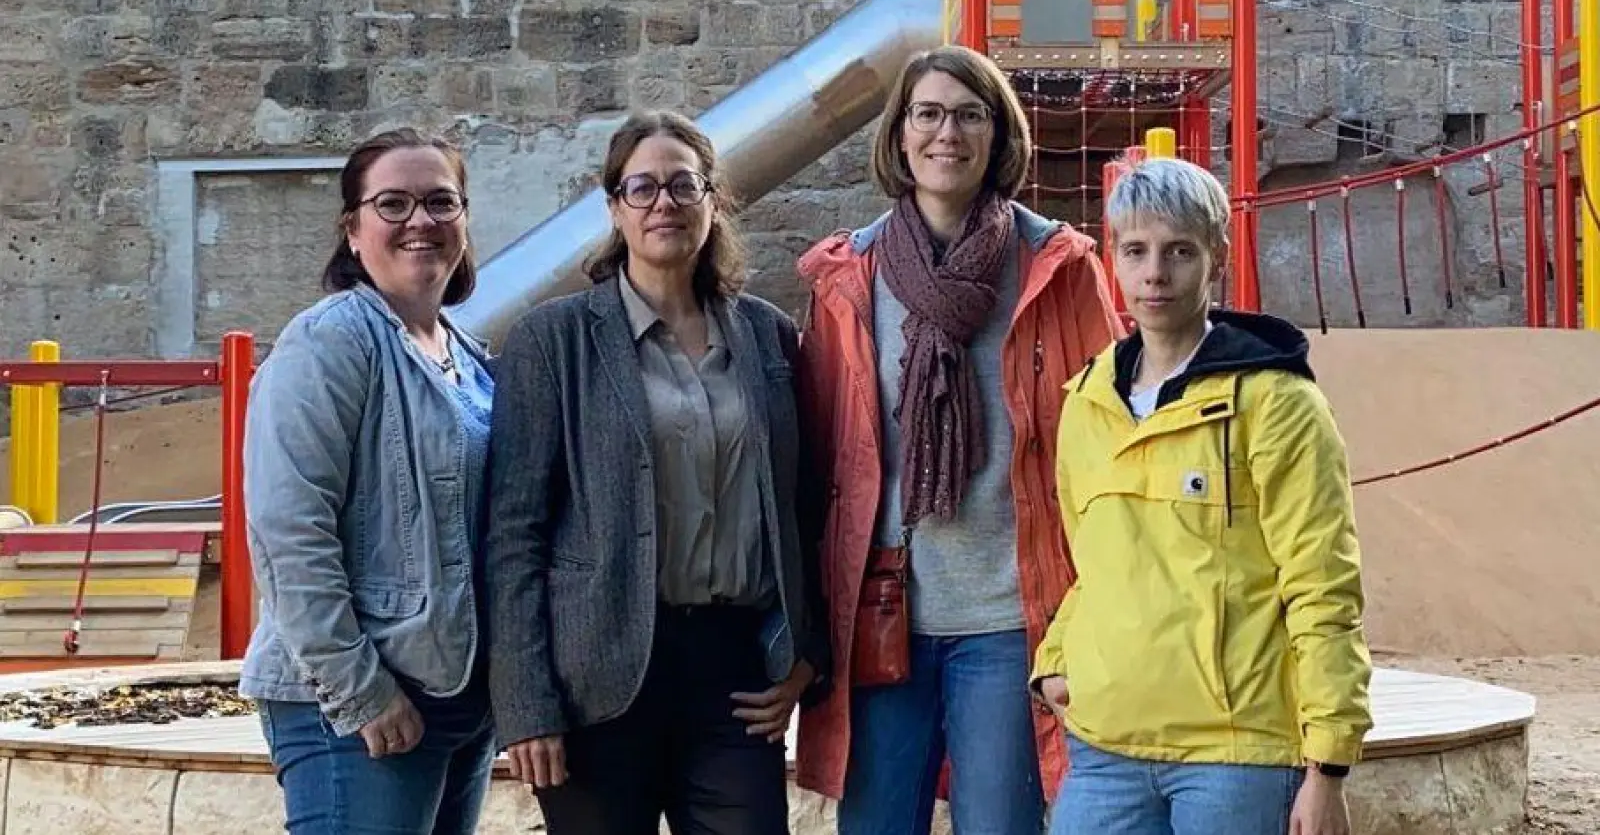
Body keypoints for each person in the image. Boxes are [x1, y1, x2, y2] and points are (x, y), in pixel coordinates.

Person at [792, 44, 1124, 834]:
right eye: (929, 114)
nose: (949, 133)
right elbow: (817, 455)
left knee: (1002, 824)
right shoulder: (850, 276)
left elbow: (1113, 443)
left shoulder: (1056, 267)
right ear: (900, 135)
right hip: (883, 612)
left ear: (998, 134)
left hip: (1011, 614)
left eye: (971, 115)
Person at [482, 109, 830, 835]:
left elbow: (806, 506)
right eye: (641, 188)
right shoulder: (553, 341)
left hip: (734, 672)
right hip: (595, 677)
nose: (663, 203)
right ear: (615, 207)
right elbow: (513, 535)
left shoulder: (768, 336)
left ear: (713, 200)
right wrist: (526, 704)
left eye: (683, 185)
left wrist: (806, 651)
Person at [1031, 156, 1373, 835]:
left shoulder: (1276, 403)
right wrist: (1057, 661)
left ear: (1218, 256)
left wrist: (1329, 762)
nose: (1155, 273)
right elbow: (1092, 563)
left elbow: (1322, 583)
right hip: (1106, 745)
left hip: (1236, 753)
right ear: (1113, 260)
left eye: (1179, 251)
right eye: (1136, 251)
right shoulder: (1088, 401)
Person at [240, 128, 498, 834]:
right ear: (353, 231)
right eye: (392, 204)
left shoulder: (467, 356)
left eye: (441, 201)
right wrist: (359, 691)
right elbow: (289, 531)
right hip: (360, 708)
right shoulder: (329, 342)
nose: (420, 221)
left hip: (454, 698)